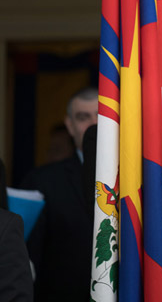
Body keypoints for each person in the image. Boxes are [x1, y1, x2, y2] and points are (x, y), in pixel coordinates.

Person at [20, 87, 98, 302]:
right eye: (83, 117)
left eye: (102, 115)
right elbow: (27, 261)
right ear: (70, 126)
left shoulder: (141, 177)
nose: (94, 124)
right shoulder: (41, 182)